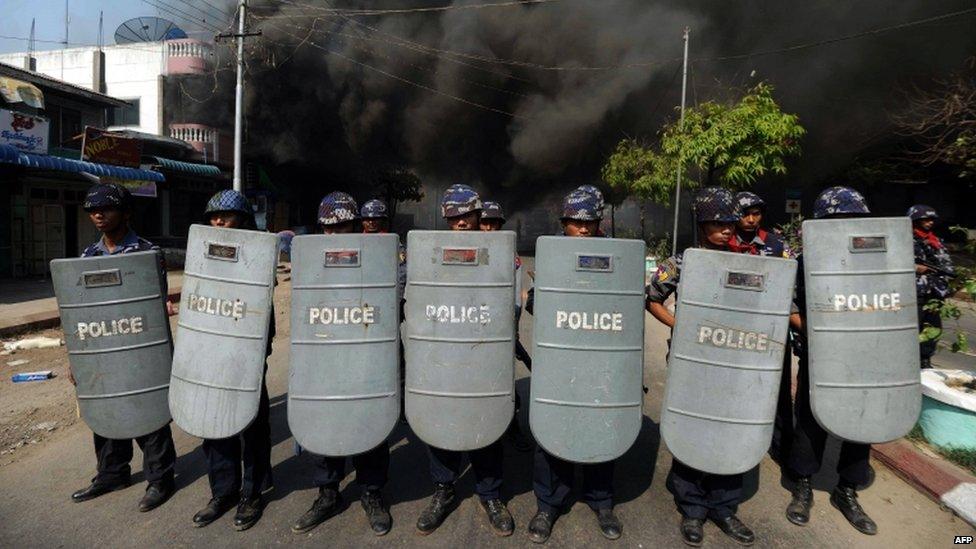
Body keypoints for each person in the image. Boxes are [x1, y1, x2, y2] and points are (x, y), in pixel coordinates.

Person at [645, 187, 756, 547]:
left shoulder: (749, 260)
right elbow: (653, 299)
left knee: (729, 429)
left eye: (730, 222)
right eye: (718, 222)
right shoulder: (681, 262)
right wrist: (683, 327)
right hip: (692, 358)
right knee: (691, 426)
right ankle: (692, 506)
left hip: (735, 359)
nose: (727, 228)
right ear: (702, 223)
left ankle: (724, 508)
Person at [70, 182, 177, 513]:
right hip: (103, 345)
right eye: (92, 210)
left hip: (140, 346)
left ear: (127, 213)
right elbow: (80, 312)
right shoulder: (88, 257)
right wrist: (75, 359)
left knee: (150, 412)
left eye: (106, 208)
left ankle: (161, 478)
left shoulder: (146, 253)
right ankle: (112, 473)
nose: (98, 214)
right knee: (106, 408)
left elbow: (154, 307)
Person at [524, 185, 623, 543]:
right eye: (574, 222)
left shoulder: (617, 255)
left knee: (602, 422)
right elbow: (535, 302)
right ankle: (548, 504)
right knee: (554, 427)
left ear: (600, 221)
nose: (582, 229)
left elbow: (627, 306)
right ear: (563, 221)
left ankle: (602, 501)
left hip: (601, 359)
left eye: (590, 222)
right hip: (561, 359)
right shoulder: (551, 255)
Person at [291, 192, 393, 536]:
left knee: (369, 423)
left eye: (344, 227)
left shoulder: (376, 256)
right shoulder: (309, 257)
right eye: (329, 229)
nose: (336, 235)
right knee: (327, 422)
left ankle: (372, 493)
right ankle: (327, 493)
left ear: (357, 225)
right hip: (324, 356)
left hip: (365, 356)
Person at [415, 184, 514, 536]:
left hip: (484, 351)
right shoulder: (430, 252)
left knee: (485, 422)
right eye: (453, 217)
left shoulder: (500, 251)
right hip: (444, 353)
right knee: (442, 421)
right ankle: (443, 490)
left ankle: (490, 494)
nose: (460, 223)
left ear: (478, 214)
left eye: (466, 215)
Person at [784, 186, 878, 536]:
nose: (846, 226)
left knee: (861, 420)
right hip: (821, 353)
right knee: (811, 419)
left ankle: (847, 490)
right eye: (839, 219)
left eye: (853, 220)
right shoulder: (806, 260)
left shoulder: (875, 259)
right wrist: (820, 334)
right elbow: (790, 307)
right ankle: (802, 485)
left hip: (864, 354)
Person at [192, 189, 274, 531]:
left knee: (251, 423)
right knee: (214, 422)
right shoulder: (201, 252)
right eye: (212, 217)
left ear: (243, 219)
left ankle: (253, 492)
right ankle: (223, 491)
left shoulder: (260, 252)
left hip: (247, 347)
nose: (218, 222)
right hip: (211, 345)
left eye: (224, 216)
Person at [732, 191, 795, 465]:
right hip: (735, 327)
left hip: (770, 328)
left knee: (777, 389)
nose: (749, 219)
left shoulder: (776, 245)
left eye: (755, 214)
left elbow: (794, 278)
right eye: (744, 214)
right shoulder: (725, 243)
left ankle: (781, 446)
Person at [480, 200, 533, 453]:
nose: (488, 228)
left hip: (500, 328)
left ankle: (510, 428)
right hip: (470, 326)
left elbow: (515, 298)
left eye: (493, 223)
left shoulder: (510, 256)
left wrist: (511, 328)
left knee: (504, 383)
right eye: (484, 222)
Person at [909, 204, 955, 369]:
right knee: (914, 327)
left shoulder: (936, 241)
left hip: (935, 291)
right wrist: (915, 268)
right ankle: (909, 360)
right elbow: (895, 262)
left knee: (933, 327)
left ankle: (925, 360)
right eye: (925, 219)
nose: (929, 223)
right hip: (916, 291)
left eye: (931, 220)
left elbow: (946, 263)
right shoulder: (905, 240)